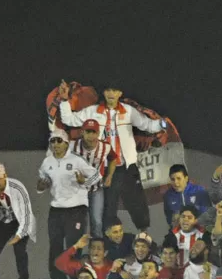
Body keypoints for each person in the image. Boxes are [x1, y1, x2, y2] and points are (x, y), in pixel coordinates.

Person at [55, 80, 168, 231]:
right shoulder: (93, 111)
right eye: (108, 90)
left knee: (137, 202)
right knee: (108, 207)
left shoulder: (128, 111)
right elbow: (70, 120)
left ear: (120, 94)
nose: (111, 94)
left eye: (115, 91)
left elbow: (147, 125)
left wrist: (161, 124)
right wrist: (64, 100)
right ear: (104, 93)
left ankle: (144, 235)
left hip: (127, 166)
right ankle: (107, 241)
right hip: (106, 167)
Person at [37, 129, 94, 279]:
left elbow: (96, 176)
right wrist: (42, 186)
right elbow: (41, 185)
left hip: (76, 209)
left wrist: (84, 182)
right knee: (55, 245)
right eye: (52, 141)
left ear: (66, 143)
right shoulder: (47, 162)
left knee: (73, 245)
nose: (55, 144)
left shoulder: (77, 160)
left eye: (58, 141)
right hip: (56, 209)